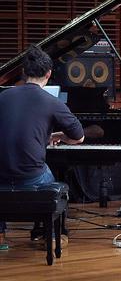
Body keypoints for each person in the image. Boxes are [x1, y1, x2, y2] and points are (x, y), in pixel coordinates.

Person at [0, 45, 84, 244]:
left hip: (0, 175)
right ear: (49, 74)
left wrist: (45, 136)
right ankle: (52, 235)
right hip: (30, 179)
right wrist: (61, 137)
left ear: (23, 72)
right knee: (48, 174)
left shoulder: (2, 97)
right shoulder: (51, 102)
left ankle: (1, 231)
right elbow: (79, 137)